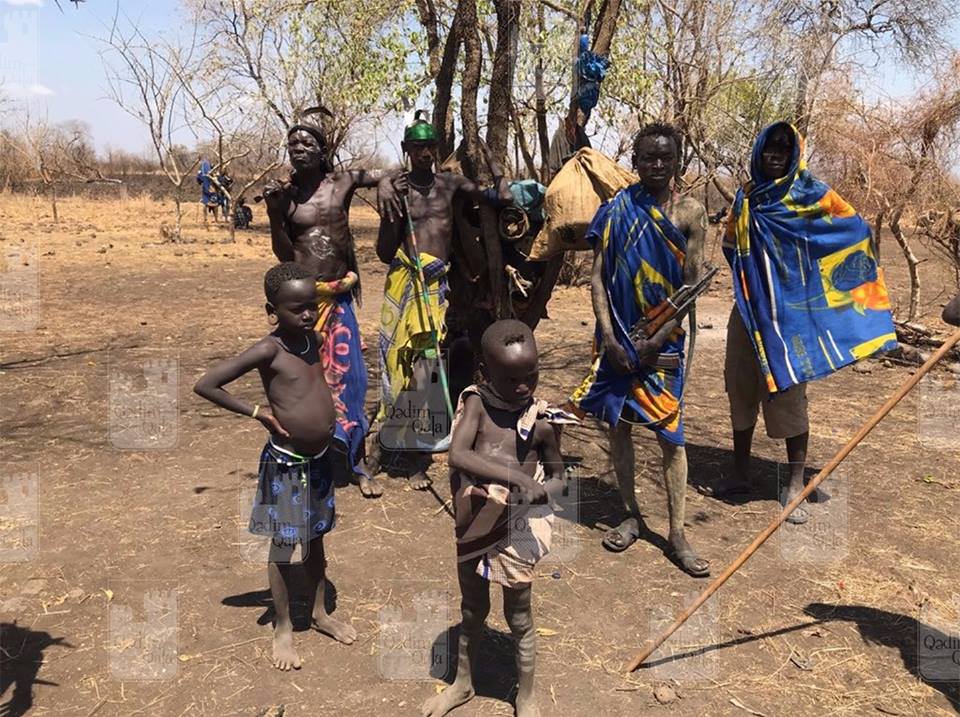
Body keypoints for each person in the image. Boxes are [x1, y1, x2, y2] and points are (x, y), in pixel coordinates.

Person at [709, 122, 897, 526]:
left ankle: (794, 483)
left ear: (795, 154)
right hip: (748, 312)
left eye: (783, 148)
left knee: (789, 394)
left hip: (791, 319)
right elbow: (732, 248)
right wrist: (757, 282)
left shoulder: (812, 195)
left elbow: (853, 230)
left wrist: (796, 284)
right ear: (758, 152)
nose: (774, 155)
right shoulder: (747, 198)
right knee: (739, 388)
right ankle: (740, 473)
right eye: (769, 148)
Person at [194, 262, 357, 671]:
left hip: (319, 460)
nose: (306, 314)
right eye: (296, 308)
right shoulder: (270, 349)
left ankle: (319, 613)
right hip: (287, 464)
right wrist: (258, 413)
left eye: (311, 306)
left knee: (317, 540)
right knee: (284, 546)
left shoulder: (313, 339)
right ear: (273, 311)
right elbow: (206, 384)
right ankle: (283, 626)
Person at [566, 123, 710, 577]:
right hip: (615, 340)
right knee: (620, 429)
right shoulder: (615, 211)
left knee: (671, 437)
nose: (657, 165)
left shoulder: (691, 213)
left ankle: (677, 532)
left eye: (665, 157)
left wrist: (656, 339)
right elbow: (597, 279)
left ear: (677, 161)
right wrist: (610, 338)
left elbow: (690, 287)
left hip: (662, 343)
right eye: (648, 157)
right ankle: (631, 514)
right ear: (636, 159)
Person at [422, 320, 562, 717]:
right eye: (511, 378)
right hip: (475, 522)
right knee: (471, 608)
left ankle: (526, 696)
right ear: (486, 373)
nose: (523, 386)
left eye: (530, 375)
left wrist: (537, 494)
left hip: (516, 528)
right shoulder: (477, 405)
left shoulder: (542, 423)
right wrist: (515, 475)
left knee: (519, 615)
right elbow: (458, 454)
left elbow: (557, 479)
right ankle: (463, 685)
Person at [368, 115, 513, 493]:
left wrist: (498, 169)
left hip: (434, 289)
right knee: (393, 363)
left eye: (429, 146)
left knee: (426, 367)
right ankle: (377, 450)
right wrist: (389, 203)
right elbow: (384, 252)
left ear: (436, 149)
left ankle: (417, 456)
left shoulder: (449, 186)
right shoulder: (397, 190)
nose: (424, 153)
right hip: (404, 282)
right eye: (416, 147)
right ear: (406, 149)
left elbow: (501, 198)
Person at [262, 108, 400, 498]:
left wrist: (386, 185)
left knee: (351, 381)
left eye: (307, 142)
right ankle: (307, 458)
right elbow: (285, 256)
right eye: (293, 143)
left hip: (339, 300)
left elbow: (385, 173)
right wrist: (275, 215)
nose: (299, 148)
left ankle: (353, 463)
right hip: (303, 304)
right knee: (304, 381)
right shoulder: (286, 197)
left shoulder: (342, 182)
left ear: (322, 150)